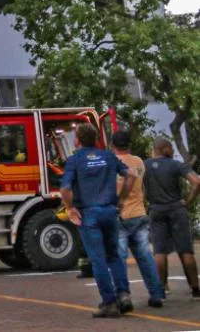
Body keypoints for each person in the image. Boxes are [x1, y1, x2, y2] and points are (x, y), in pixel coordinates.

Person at [61, 123, 137, 318]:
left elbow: (65, 189)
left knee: (98, 259)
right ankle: (124, 294)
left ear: (77, 140)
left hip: (89, 214)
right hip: (110, 212)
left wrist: (70, 208)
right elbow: (131, 174)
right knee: (114, 256)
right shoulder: (108, 156)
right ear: (96, 139)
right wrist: (121, 200)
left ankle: (109, 303)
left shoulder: (74, 160)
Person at [111, 130, 165, 308]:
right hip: (139, 214)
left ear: (113, 145)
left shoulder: (112, 164)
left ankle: (123, 296)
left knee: (119, 259)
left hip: (120, 216)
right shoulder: (139, 162)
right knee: (145, 256)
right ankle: (156, 294)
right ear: (129, 144)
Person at [143, 137, 200, 298]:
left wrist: (145, 202)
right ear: (165, 148)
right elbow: (196, 181)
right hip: (177, 209)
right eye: (171, 148)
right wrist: (187, 201)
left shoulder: (145, 166)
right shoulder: (176, 165)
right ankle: (195, 288)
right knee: (185, 250)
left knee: (159, 251)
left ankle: (162, 288)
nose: (173, 151)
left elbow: (138, 187)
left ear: (154, 150)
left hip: (156, 210)